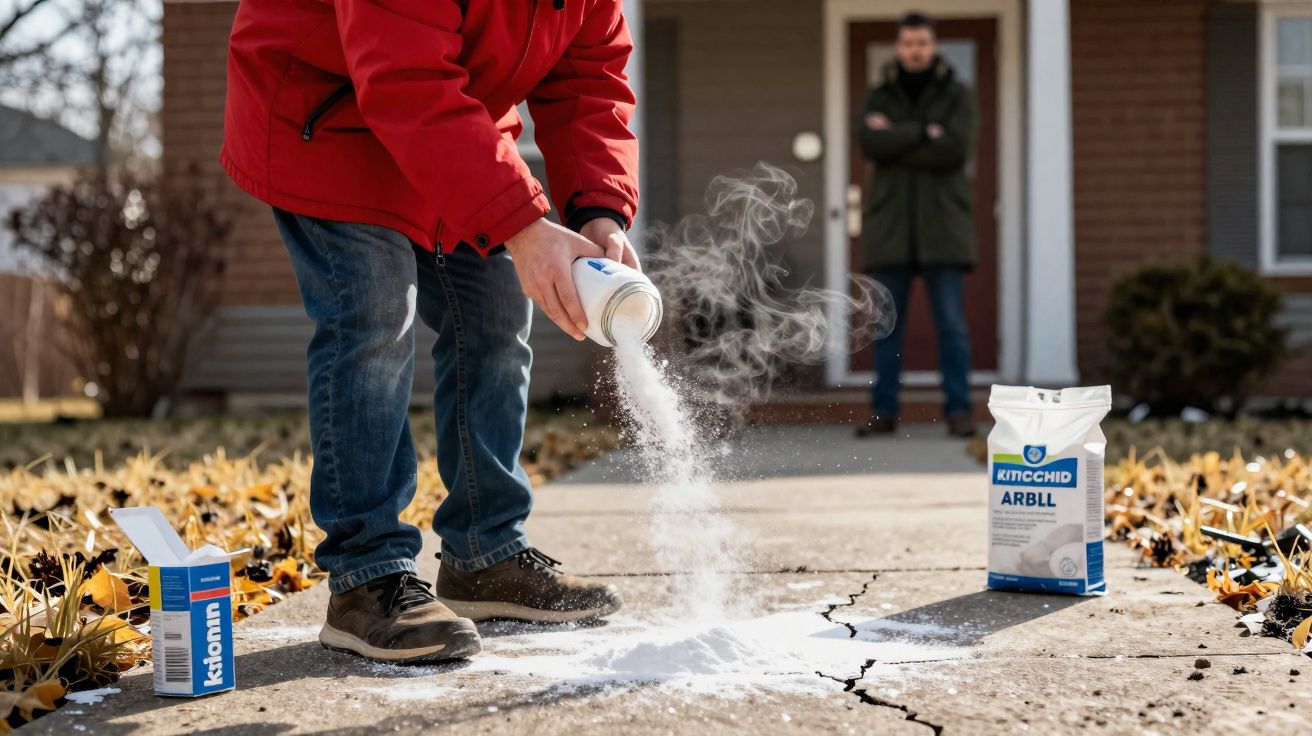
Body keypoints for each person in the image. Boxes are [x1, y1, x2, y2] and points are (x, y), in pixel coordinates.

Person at [221, 0, 639, 663]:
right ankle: (366, 575)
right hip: (331, 116)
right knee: (373, 316)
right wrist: (521, 224)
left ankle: (485, 553)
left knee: (496, 317)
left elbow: (587, 79)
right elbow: (403, 77)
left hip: (455, 124)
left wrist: (600, 211)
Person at [854, 12, 978, 439]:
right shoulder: (879, 95)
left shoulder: (957, 95)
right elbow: (870, 142)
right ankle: (884, 412)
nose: (915, 50)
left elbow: (955, 150)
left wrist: (898, 138)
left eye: (922, 43)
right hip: (891, 231)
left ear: (934, 46)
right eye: (908, 43)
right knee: (887, 328)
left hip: (945, 230)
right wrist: (927, 133)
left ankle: (959, 411)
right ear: (899, 47)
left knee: (952, 327)